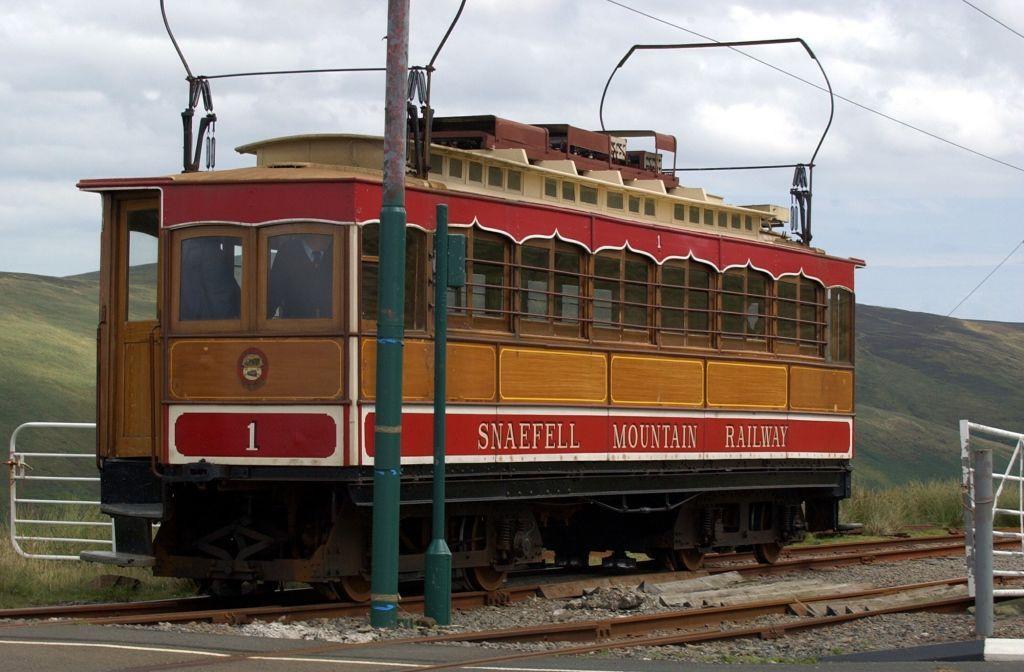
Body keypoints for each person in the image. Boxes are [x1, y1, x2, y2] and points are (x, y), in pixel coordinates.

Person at [267, 234, 333, 319]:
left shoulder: (336, 252)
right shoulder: (288, 251)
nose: (330, 238)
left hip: (331, 329)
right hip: (295, 328)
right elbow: (274, 295)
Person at [180, 236, 241, 320]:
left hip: (188, 320)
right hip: (213, 324)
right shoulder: (212, 254)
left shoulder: (182, 250)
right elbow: (222, 295)